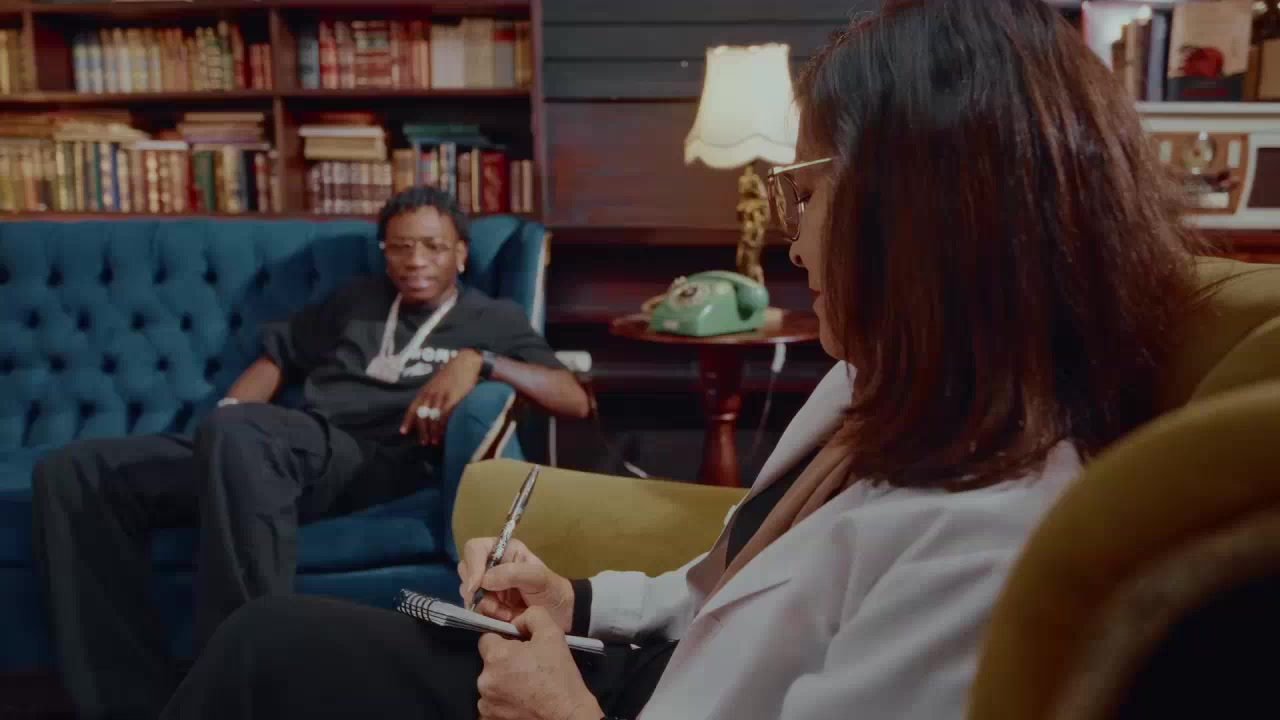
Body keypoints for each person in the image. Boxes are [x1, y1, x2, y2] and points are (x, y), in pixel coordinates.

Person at [158, 1, 1210, 719]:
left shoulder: (994, 544)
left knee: (266, 663)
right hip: (652, 675)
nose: (793, 244)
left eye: (808, 194)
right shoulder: (875, 386)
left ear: (922, 218)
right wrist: (575, 600)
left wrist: (562, 711)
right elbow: (724, 582)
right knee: (271, 638)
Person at [31, 186, 590, 720]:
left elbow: (574, 399)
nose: (415, 260)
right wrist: (227, 414)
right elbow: (278, 356)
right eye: (400, 246)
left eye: (432, 246)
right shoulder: (357, 301)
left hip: (371, 459)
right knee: (74, 472)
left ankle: (240, 692)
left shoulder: (490, 318)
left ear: (460, 253)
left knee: (242, 437)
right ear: (385, 251)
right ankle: (126, 703)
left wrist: (481, 361)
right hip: (280, 445)